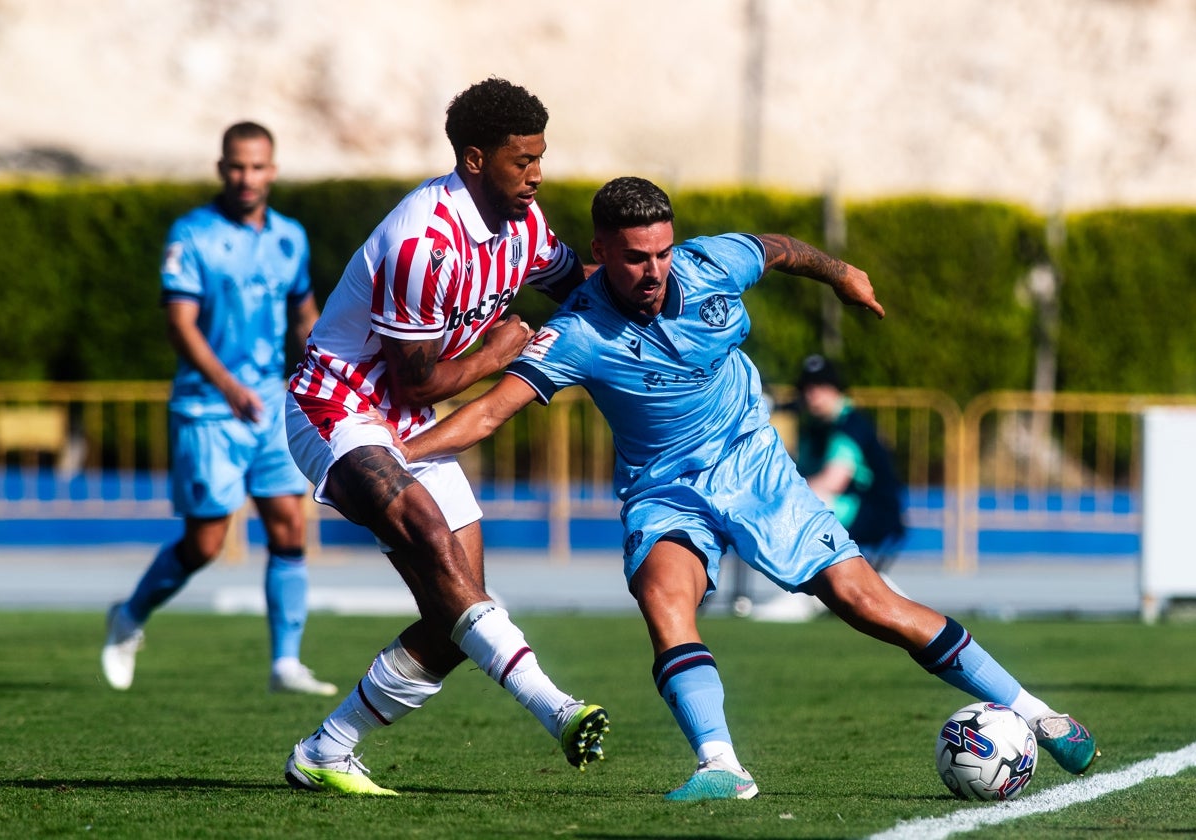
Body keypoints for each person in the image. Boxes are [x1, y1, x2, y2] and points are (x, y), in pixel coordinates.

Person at [401, 176, 1099, 801]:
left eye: (661, 252)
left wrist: (842, 273)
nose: (652, 270)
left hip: (755, 466)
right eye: (636, 256)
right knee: (662, 597)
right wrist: (392, 454)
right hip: (665, 489)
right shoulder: (577, 330)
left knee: (868, 604)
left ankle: (1038, 713)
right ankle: (722, 766)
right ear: (601, 251)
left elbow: (781, 249)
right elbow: (489, 413)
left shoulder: (713, 263)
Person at [281, 77, 606, 797]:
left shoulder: (523, 224)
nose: (537, 174)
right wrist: (502, 353)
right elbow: (417, 384)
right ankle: (555, 707)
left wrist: (655, 284)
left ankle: (327, 751)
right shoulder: (421, 239)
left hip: (403, 424)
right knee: (434, 546)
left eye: (540, 158)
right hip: (336, 406)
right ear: (474, 159)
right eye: (523, 161)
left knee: (457, 606)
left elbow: (573, 282)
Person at [101, 122, 334, 697]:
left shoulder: (290, 237)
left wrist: (332, 364)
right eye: (236, 166)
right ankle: (128, 615)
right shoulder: (193, 235)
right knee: (206, 542)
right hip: (209, 408)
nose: (246, 177)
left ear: (272, 171)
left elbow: (305, 314)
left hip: (270, 404)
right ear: (220, 168)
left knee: (288, 524)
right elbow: (179, 325)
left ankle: (285, 663)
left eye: (257, 167)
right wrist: (229, 386)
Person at [793, 354, 906, 565]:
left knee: (800, 505)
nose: (813, 394)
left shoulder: (850, 425)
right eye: (807, 387)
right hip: (851, 507)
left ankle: (805, 587)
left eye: (821, 385)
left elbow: (832, 482)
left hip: (874, 512)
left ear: (836, 388)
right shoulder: (814, 427)